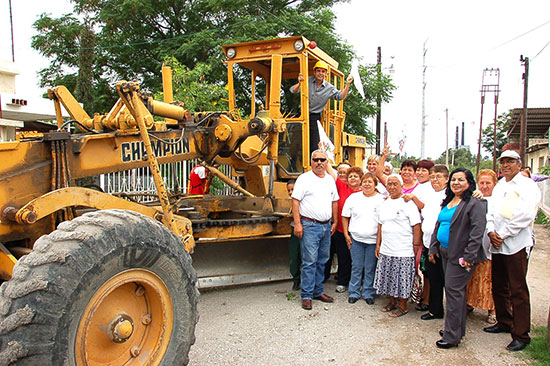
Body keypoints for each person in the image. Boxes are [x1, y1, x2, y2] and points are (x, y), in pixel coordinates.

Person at [483, 150, 541, 352]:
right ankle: (504, 321)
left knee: (518, 289)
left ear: (519, 164)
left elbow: (524, 215)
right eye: (503, 162)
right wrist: (491, 232)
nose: (505, 166)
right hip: (497, 244)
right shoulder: (501, 186)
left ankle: (521, 334)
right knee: (499, 286)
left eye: (510, 162)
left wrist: (503, 234)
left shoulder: (527, 186)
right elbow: (491, 212)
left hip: (515, 243)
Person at [429, 168, 487, 349]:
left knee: (454, 293)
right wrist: (433, 247)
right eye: (453, 179)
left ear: (469, 182)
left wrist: (469, 255)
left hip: (461, 256)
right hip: (445, 251)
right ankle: (455, 329)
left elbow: (477, 231)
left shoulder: (474, 202)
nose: (456, 183)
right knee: (455, 292)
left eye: (461, 180)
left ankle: (452, 336)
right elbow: (439, 224)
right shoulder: (449, 201)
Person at [292, 149, 339, 310]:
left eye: (322, 160)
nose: (319, 162)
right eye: (316, 159)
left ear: (327, 162)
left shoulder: (330, 180)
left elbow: (335, 201)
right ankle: (306, 295)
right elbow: (295, 202)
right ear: (311, 161)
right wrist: (297, 224)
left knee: (322, 260)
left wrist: (335, 221)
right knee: (309, 261)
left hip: (326, 225)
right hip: (310, 225)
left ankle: (318, 291)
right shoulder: (304, 179)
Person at [374, 174, 422, 318]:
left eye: (395, 184)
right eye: (389, 184)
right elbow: (380, 225)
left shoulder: (408, 203)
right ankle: (392, 302)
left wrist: (415, 245)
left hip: (404, 249)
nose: (392, 187)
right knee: (388, 276)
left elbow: (417, 226)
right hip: (387, 248)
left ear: (401, 186)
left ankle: (403, 306)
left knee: (402, 279)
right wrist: (378, 245)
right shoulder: (384, 203)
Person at [290, 61, 353, 155]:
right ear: (314, 72)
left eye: (323, 71)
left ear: (326, 74)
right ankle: (293, 161)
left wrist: (347, 84)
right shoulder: (307, 81)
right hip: (302, 114)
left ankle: (312, 163)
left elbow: (340, 97)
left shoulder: (329, 87)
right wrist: (299, 83)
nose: (320, 73)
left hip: (314, 117)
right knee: (296, 140)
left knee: (314, 142)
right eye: (318, 71)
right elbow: (293, 90)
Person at [342, 173, 385, 305]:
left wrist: (378, 243)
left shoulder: (381, 200)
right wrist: (346, 234)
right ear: (361, 183)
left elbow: (381, 223)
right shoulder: (353, 198)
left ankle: (368, 293)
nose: (367, 184)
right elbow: (345, 216)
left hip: (372, 241)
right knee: (356, 266)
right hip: (356, 239)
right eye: (365, 181)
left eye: (370, 182)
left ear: (375, 184)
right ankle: (354, 292)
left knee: (370, 267)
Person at [466, 169, 497, 323]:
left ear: (494, 184)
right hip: (476, 246)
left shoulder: (498, 200)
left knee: (490, 279)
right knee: (473, 277)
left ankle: (492, 310)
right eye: (482, 183)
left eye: (488, 183)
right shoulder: (475, 199)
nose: (484, 186)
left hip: (493, 245)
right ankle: (469, 304)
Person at [402, 159, 434, 312]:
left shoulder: (431, 188)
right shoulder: (420, 187)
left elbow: (424, 207)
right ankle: (421, 297)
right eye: (419, 170)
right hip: (418, 232)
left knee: (426, 270)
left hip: (426, 233)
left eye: (424, 170)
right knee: (421, 267)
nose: (420, 173)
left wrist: (413, 198)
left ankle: (427, 299)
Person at [324, 164, 362, 292]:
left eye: (355, 177)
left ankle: (356, 282)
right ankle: (342, 281)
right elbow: (329, 169)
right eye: (350, 176)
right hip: (340, 229)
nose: (352, 179)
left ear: (361, 179)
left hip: (358, 231)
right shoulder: (342, 186)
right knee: (343, 256)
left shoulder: (365, 192)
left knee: (356, 259)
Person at [418, 165, 449, 320]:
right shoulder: (427, 193)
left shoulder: (451, 195)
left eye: (439, 177)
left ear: (447, 179)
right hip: (428, 242)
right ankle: (435, 310)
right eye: (433, 177)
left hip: (444, 245)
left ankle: (453, 313)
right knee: (433, 278)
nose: (435, 180)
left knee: (448, 280)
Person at [324, 162, 351, 283]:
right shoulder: (337, 184)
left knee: (344, 256)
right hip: (333, 225)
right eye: (340, 171)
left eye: (345, 172)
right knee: (327, 253)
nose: (342, 174)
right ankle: (323, 276)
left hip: (346, 229)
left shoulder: (357, 188)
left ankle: (343, 279)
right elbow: (329, 168)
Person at [287, 179, 301, 291]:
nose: (291, 192)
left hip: (306, 230)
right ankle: (296, 280)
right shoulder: (290, 202)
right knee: (294, 256)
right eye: (289, 190)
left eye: (293, 189)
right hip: (294, 230)